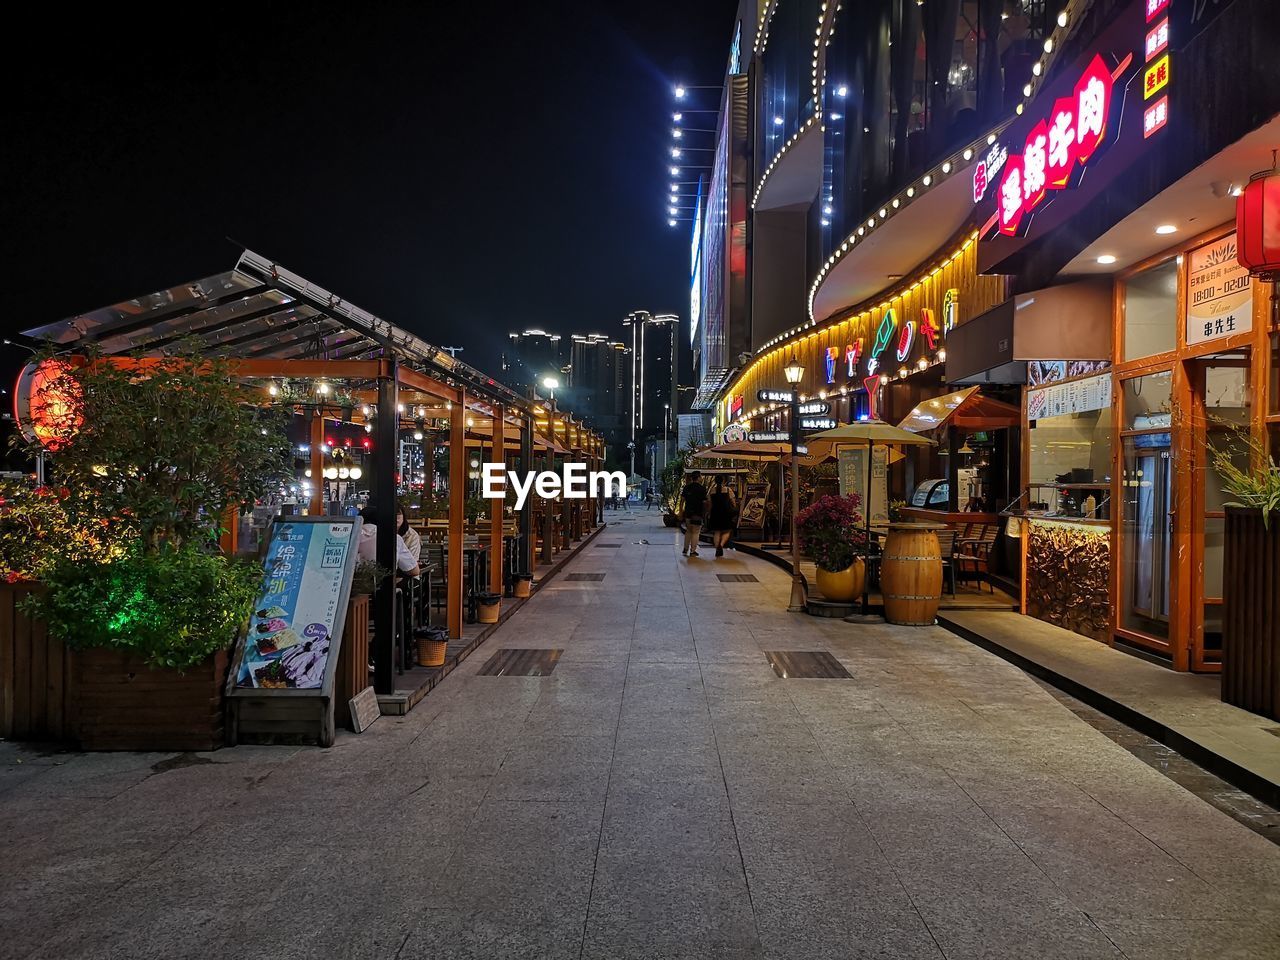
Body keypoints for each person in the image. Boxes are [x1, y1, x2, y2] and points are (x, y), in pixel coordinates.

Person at [357, 505, 420, 576]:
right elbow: (414, 571)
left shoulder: (351, 536)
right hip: (386, 582)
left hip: (352, 584)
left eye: (398, 515)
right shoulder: (393, 538)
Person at [705, 476, 738, 558]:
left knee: (717, 532)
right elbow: (733, 502)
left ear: (715, 481)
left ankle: (717, 548)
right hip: (725, 513)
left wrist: (709, 513)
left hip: (715, 513)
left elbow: (710, 504)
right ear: (723, 481)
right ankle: (721, 544)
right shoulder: (728, 490)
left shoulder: (711, 491)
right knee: (727, 531)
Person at [680, 471, 707, 558]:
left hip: (688, 512)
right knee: (696, 532)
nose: (701, 478)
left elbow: (682, 500)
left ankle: (685, 548)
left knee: (688, 531)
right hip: (697, 513)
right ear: (698, 477)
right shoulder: (702, 488)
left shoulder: (687, 487)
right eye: (701, 476)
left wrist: (681, 511)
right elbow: (704, 502)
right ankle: (693, 551)